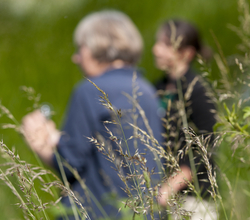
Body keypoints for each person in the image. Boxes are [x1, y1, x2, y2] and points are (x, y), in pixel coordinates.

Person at [22, 10, 163, 219]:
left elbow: (70, 165)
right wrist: (59, 140)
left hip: (97, 212)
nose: (76, 57)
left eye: (80, 48)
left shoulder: (89, 90)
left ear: (98, 46)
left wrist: (39, 142)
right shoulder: (148, 89)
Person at [153, 19, 217, 219]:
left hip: (194, 197)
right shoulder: (158, 87)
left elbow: (206, 144)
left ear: (187, 53)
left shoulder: (198, 90)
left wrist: (173, 184)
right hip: (164, 192)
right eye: (158, 43)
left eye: (165, 45)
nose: (156, 49)